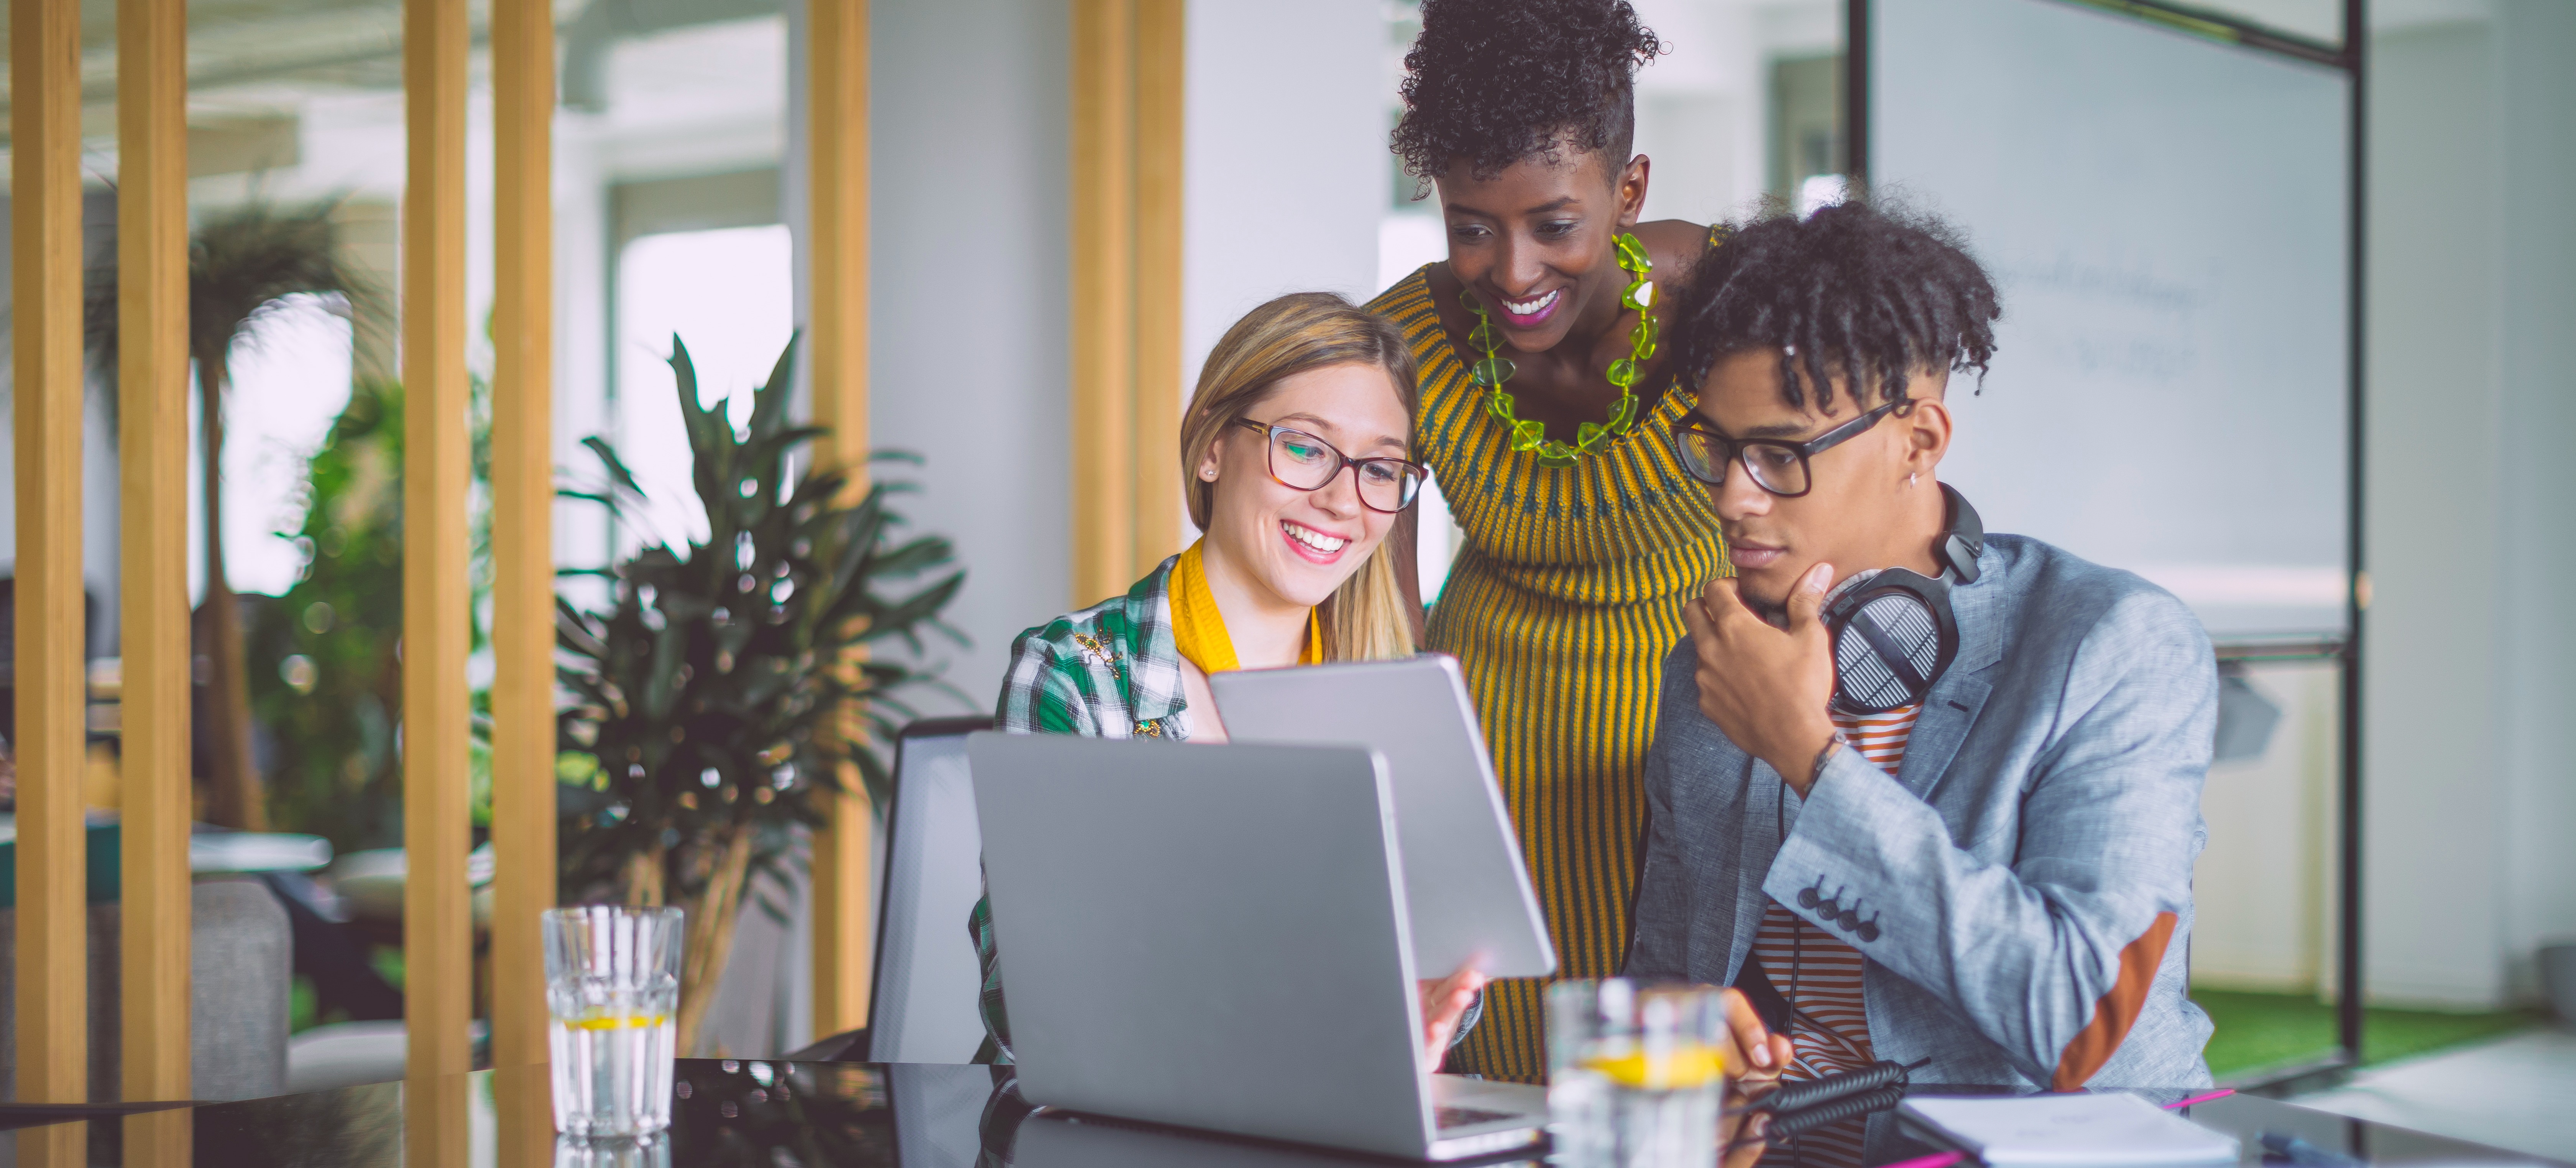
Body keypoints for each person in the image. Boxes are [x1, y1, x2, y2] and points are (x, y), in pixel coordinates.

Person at [1625, 200, 2217, 1158]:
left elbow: (2086, 1019)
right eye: (1720, 450)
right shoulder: (1716, 659)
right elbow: (1661, 972)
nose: (1734, 495)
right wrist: (1688, 1030)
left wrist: (1812, 759)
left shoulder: (2113, 646)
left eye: (1780, 454)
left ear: (1919, 442)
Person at [971, 292, 1482, 1067]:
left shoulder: (1400, 702)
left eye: (1379, 468)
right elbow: (1027, 999)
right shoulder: (1080, 671)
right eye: (1306, 448)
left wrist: (1424, 1004)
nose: (1345, 500)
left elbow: (1440, 962)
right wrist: (1311, 1001)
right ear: (1213, 446)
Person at [1365, 0, 1730, 1081]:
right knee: (1494, 1098)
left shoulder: (1732, 307)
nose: (1512, 272)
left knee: (1660, 1107)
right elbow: (1382, 626)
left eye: (1554, 225)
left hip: (1683, 785)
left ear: (1630, 189)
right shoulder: (1409, 339)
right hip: (1484, 791)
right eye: (1471, 224)